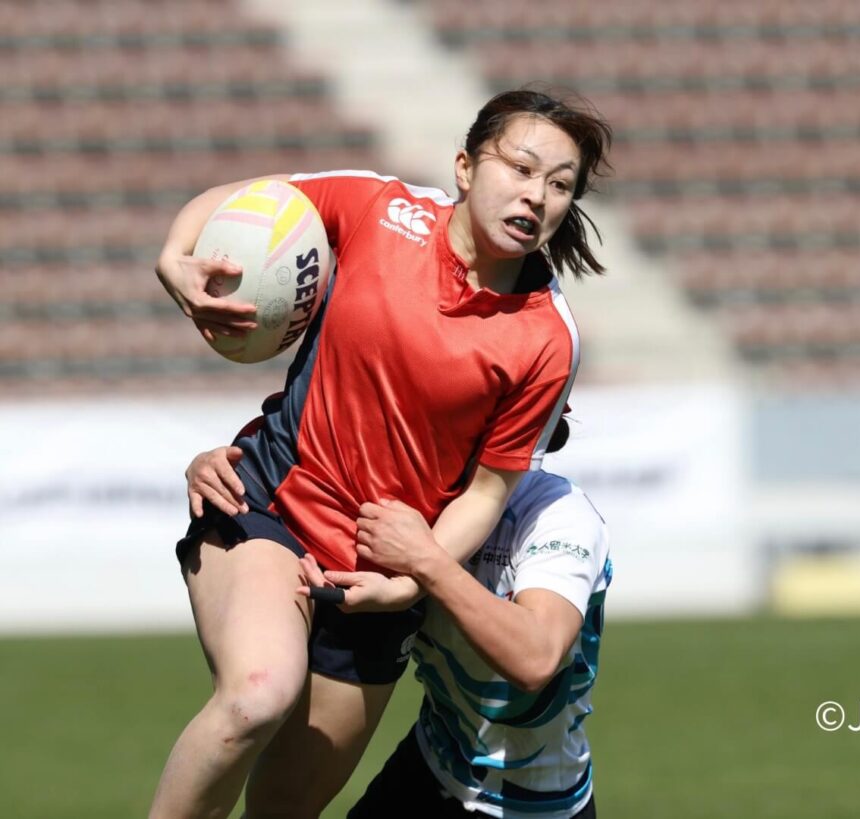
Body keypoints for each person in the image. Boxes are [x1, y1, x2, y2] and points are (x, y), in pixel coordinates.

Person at [149, 88, 612, 818]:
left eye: (560, 185)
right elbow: (243, 201)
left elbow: (487, 492)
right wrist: (175, 256)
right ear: (465, 167)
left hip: (373, 577)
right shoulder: (379, 207)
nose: (537, 195)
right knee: (257, 694)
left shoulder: (548, 337)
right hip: (271, 507)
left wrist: (409, 582)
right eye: (521, 168)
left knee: (284, 809)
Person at [185, 416, 610, 817]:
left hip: (538, 802)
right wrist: (222, 469)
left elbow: (536, 656)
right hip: (430, 769)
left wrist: (425, 561)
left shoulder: (558, 514)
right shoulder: (401, 495)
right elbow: (298, 458)